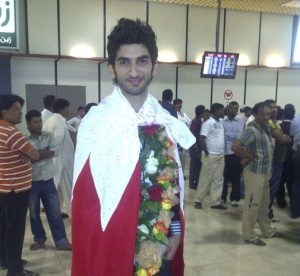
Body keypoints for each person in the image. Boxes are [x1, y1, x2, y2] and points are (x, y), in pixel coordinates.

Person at [71, 18, 195, 276]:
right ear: (111, 69)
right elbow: (86, 203)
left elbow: (170, 183)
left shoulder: (164, 121)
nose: (134, 71)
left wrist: (174, 232)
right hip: (111, 243)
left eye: (142, 60)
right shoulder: (96, 123)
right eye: (124, 62)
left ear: (154, 66)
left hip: (159, 244)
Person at [231, 102, 284, 246]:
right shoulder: (252, 129)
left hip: (265, 172)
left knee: (263, 204)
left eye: (268, 114)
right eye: (263, 114)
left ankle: (267, 230)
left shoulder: (267, 127)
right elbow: (235, 146)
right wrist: (249, 156)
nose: (267, 117)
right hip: (255, 173)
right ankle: (249, 235)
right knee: (252, 204)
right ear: (256, 114)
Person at [0, 94, 40, 276]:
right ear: (4, 111)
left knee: (5, 226)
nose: (20, 113)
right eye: (16, 109)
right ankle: (15, 270)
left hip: (4, 187)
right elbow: (35, 154)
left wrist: (26, 154)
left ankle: (6, 259)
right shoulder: (11, 132)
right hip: (17, 188)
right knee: (15, 230)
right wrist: (28, 155)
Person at [25, 110, 72, 252]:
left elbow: (55, 152)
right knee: (34, 213)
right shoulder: (24, 139)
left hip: (48, 181)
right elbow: (26, 158)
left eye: (40, 121)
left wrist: (35, 154)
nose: (39, 124)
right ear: (28, 124)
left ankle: (61, 241)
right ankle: (39, 240)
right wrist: (44, 152)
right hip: (32, 181)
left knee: (55, 212)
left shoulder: (49, 136)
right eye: (35, 122)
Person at [43, 98, 74, 217]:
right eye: (67, 108)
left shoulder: (49, 120)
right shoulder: (60, 120)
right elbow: (58, 138)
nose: (68, 111)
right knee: (68, 188)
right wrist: (53, 151)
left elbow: (44, 137)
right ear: (62, 109)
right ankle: (74, 214)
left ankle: (56, 212)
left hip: (54, 160)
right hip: (63, 160)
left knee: (58, 189)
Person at [194, 103, 227, 210]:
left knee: (218, 179)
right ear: (216, 111)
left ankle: (215, 202)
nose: (223, 112)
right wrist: (207, 152)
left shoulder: (220, 122)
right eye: (221, 110)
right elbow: (202, 138)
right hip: (211, 155)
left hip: (220, 155)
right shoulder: (208, 123)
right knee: (205, 178)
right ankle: (198, 200)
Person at [264, 99, 291, 222]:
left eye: (275, 107)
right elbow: (282, 139)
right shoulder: (268, 122)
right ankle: (264, 214)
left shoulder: (274, 122)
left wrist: (284, 136)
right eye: (272, 107)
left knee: (272, 189)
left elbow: (283, 136)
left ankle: (267, 212)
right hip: (273, 160)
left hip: (278, 160)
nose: (275, 109)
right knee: (270, 188)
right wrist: (285, 137)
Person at [221, 101, 244, 207]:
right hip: (224, 152)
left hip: (236, 152)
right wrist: (231, 135)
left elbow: (239, 136)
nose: (234, 110)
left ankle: (235, 198)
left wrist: (226, 134)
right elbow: (221, 135)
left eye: (236, 108)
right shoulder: (222, 121)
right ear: (228, 108)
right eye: (232, 108)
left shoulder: (240, 122)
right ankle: (222, 198)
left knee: (236, 176)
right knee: (223, 177)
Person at [276, 104, 295, 208]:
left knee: (280, 180)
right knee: (292, 181)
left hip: (281, 156)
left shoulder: (279, 126)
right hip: (292, 156)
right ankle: (294, 203)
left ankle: (281, 201)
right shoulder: (297, 125)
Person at [173, 99, 191, 175]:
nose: (180, 105)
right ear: (174, 105)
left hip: (184, 139)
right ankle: (177, 175)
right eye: (178, 104)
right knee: (177, 158)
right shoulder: (174, 113)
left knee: (183, 158)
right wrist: (184, 121)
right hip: (177, 139)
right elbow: (181, 122)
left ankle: (182, 174)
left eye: (180, 103)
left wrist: (184, 121)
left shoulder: (183, 114)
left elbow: (189, 121)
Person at [189, 105, 205, 190]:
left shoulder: (198, 121)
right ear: (202, 112)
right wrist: (195, 146)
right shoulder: (196, 122)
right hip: (196, 147)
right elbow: (194, 134)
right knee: (194, 166)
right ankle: (192, 183)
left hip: (198, 146)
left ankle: (195, 181)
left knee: (197, 165)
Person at [290, 112, 300, 218]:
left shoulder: (295, 119)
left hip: (296, 153)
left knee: (297, 183)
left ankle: (294, 210)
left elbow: (292, 135)